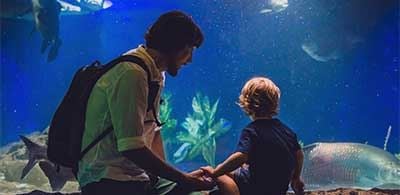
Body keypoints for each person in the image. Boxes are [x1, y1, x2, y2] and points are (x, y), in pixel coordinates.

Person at [78, 10, 214, 195]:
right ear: (173, 45)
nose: (190, 59)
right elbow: (131, 147)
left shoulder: (155, 73)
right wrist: (183, 179)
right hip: (108, 179)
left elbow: (153, 131)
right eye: (188, 50)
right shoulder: (132, 73)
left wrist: (173, 178)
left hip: (138, 177)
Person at [201, 77, 305, 195]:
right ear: (275, 103)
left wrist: (215, 173)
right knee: (237, 172)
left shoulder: (251, 131)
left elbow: (240, 157)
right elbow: (299, 154)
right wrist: (296, 178)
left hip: (255, 187)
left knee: (220, 174)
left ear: (246, 103)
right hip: (278, 189)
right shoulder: (286, 130)